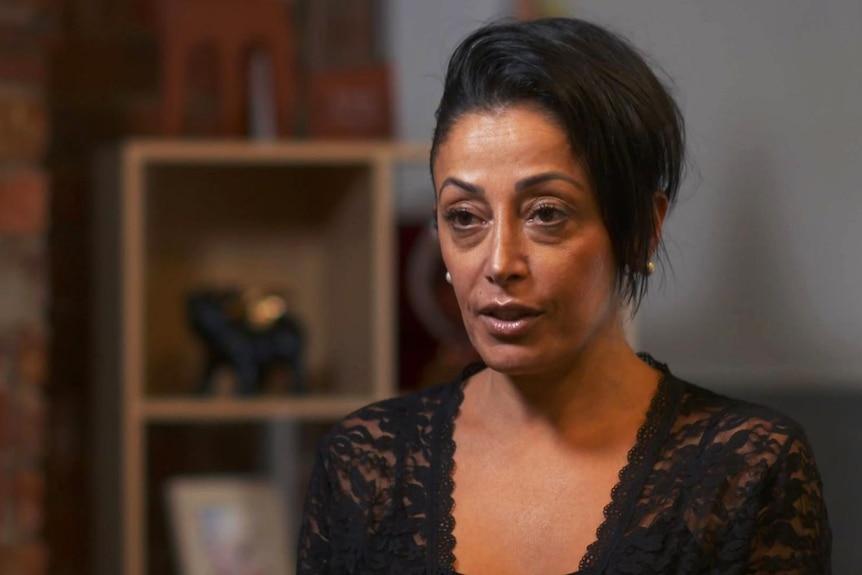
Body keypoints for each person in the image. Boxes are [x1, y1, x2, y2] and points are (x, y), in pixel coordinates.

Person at [297, 17, 831, 574]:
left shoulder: (746, 469)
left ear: (642, 228)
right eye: (464, 217)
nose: (500, 264)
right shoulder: (365, 465)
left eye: (546, 214)